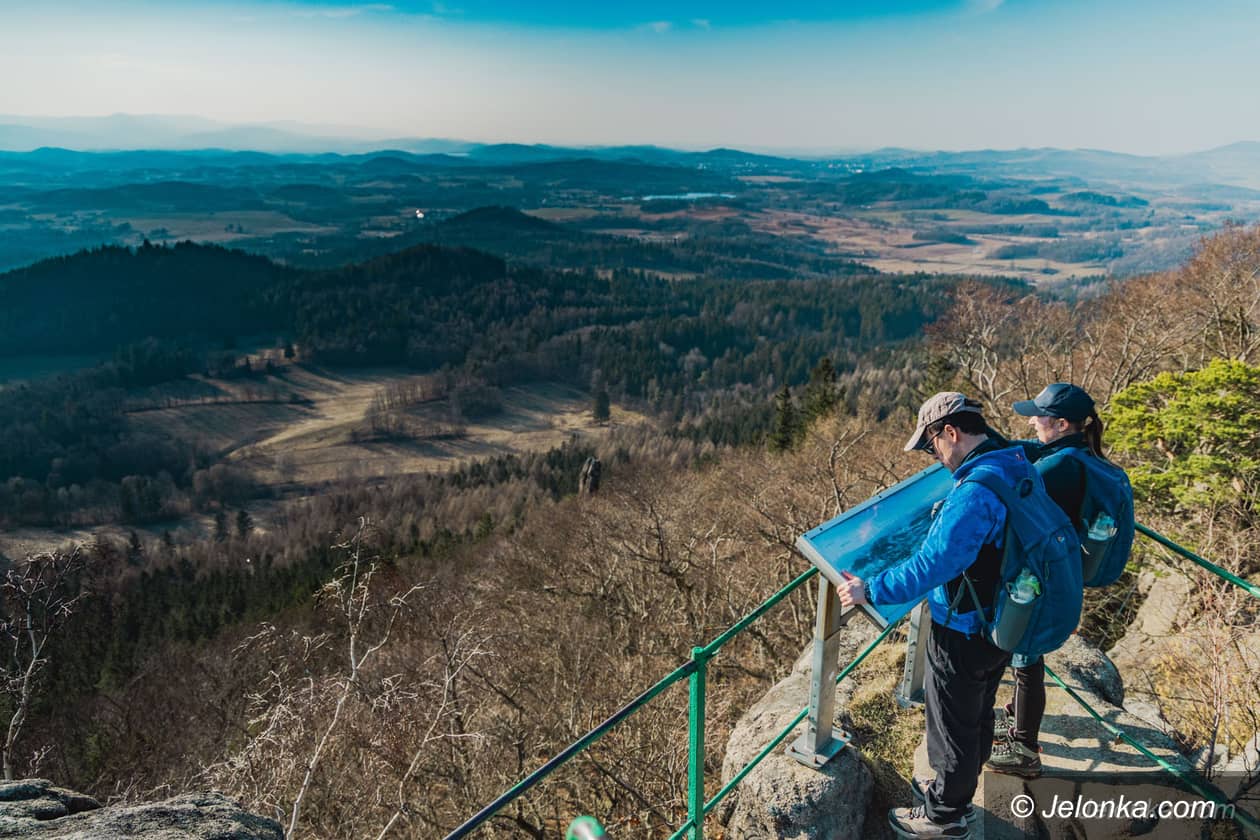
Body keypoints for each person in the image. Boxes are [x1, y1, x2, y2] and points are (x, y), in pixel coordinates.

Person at [838, 392, 1051, 840]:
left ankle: (945, 815)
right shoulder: (1014, 463)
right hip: (1003, 617)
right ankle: (958, 791)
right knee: (978, 709)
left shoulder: (974, 492)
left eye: (931, 445)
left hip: (964, 627)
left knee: (951, 721)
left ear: (950, 433)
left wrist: (869, 589)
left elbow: (933, 564)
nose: (933, 456)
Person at [986, 382, 1103, 779]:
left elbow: (1011, 498)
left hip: (1041, 575)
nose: (1033, 421)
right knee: (1026, 654)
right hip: (1061, 568)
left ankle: (1023, 749)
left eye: (1040, 416)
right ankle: (1017, 719)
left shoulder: (1056, 468)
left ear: (1063, 424)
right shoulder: (1076, 454)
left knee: (1025, 655)